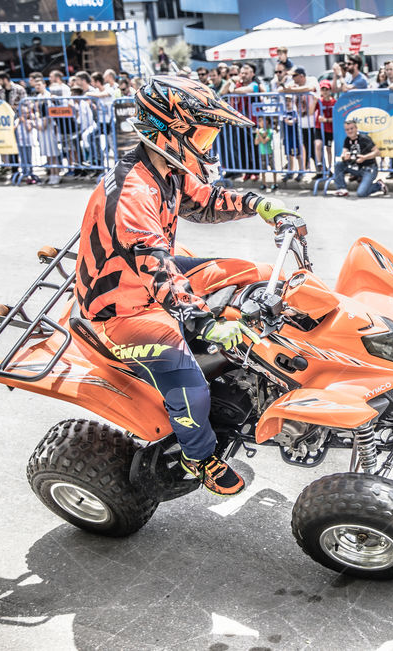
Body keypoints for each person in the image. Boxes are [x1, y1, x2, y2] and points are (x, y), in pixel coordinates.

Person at [75, 75, 293, 496]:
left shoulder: (167, 167)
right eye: (203, 133)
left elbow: (206, 202)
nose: (208, 143)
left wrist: (258, 205)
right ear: (169, 131)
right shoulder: (133, 193)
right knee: (188, 381)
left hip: (145, 276)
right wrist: (203, 322)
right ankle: (198, 456)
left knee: (249, 269)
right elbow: (158, 272)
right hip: (119, 307)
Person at [331, 118, 387, 197]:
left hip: (369, 168)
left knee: (361, 193)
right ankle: (342, 189)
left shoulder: (364, 138)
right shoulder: (347, 140)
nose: (350, 131)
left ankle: (378, 185)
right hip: (355, 168)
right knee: (338, 165)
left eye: (351, 128)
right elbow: (344, 154)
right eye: (347, 130)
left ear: (356, 128)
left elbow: (377, 152)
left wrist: (364, 157)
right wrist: (344, 157)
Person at [314, 81, 336, 176]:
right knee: (318, 144)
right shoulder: (319, 101)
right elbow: (311, 110)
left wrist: (326, 120)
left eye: (326, 89)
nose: (325, 91)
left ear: (330, 90)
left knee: (329, 148)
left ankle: (330, 167)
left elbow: (336, 117)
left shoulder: (334, 102)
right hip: (319, 127)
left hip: (329, 129)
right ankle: (319, 164)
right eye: (323, 89)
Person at [254, 115, 276, 190]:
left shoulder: (270, 131)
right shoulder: (260, 131)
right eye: (259, 121)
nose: (260, 122)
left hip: (269, 152)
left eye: (261, 120)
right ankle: (264, 184)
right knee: (263, 170)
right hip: (262, 153)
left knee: (273, 168)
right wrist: (259, 135)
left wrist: (259, 135)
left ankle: (275, 183)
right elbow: (256, 142)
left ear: (267, 121)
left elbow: (264, 141)